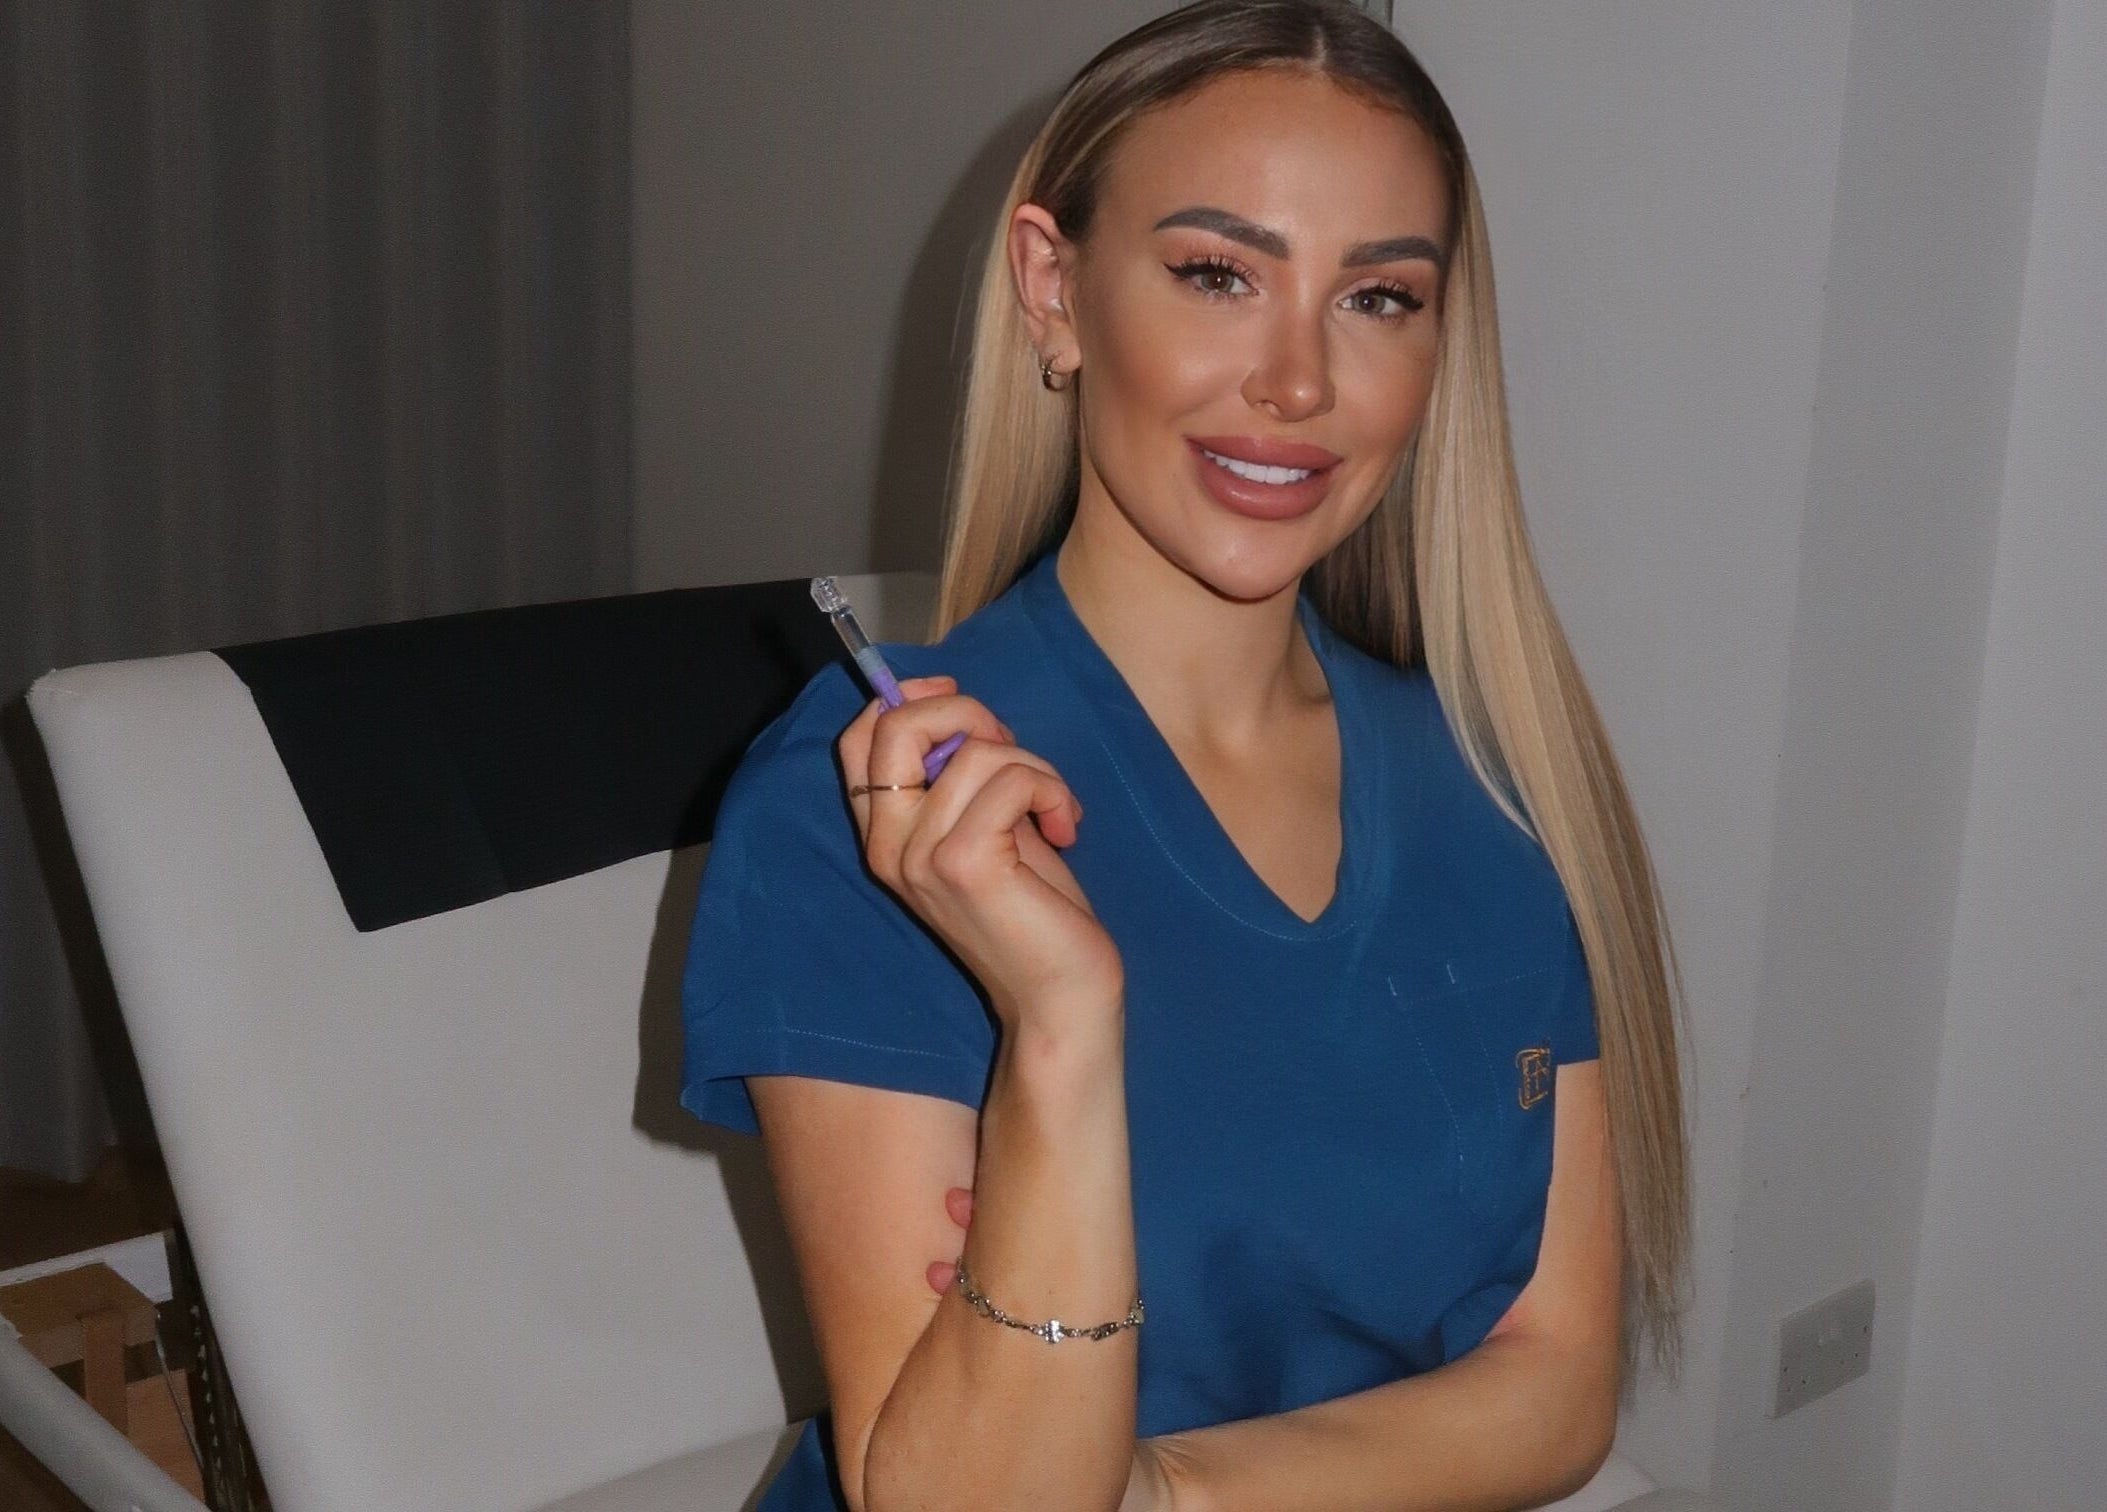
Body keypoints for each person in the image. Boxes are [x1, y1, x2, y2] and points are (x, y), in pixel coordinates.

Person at [679, 2, 1692, 1508]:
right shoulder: (862, 804)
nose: (1298, 381)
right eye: (1219, 275)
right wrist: (1063, 1024)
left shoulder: (1496, 786)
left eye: (1379, 298)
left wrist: (1158, 1495)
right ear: (1055, 291)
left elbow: (1559, 1388)